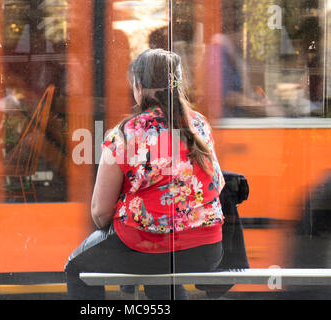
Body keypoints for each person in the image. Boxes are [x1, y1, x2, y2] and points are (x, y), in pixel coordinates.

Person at [65, 49, 225, 300]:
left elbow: (100, 212)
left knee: (76, 268)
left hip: (146, 247)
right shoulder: (199, 125)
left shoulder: (124, 134)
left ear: (139, 87)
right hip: (207, 250)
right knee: (160, 274)